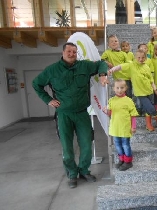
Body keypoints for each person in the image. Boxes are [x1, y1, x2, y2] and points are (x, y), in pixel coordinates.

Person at [32, 42, 108, 189]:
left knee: (86, 142)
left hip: (81, 113)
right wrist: (48, 100)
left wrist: (103, 75)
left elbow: (101, 63)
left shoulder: (84, 66)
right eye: (69, 51)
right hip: (64, 114)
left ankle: (84, 171)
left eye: (74, 51)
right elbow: (36, 84)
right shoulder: (52, 70)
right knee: (67, 147)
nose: (72, 54)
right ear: (63, 52)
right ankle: (72, 174)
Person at [108, 49, 157, 132]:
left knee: (147, 109)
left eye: (143, 58)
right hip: (140, 93)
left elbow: (151, 80)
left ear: (145, 58)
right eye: (139, 57)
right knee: (151, 109)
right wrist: (112, 70)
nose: (141, 59)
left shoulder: (146, 67)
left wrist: (155, 90)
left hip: (149, 91)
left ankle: (148, 125)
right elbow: (120, 66)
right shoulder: (131, 65)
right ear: (135, 57)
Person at [102, 79, 138, 171]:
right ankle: (121, 160)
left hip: (125, 128)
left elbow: (133, 115)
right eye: (117, 88)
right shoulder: (111, 100)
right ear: (113, 88)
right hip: (115, 128)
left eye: (122, 87)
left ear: (125, 88)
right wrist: (105, 110)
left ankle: (128, 161)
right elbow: (110, 114)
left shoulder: (128, 101)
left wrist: (133, 126)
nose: (119, 90)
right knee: (117, 145)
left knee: (125, 144)